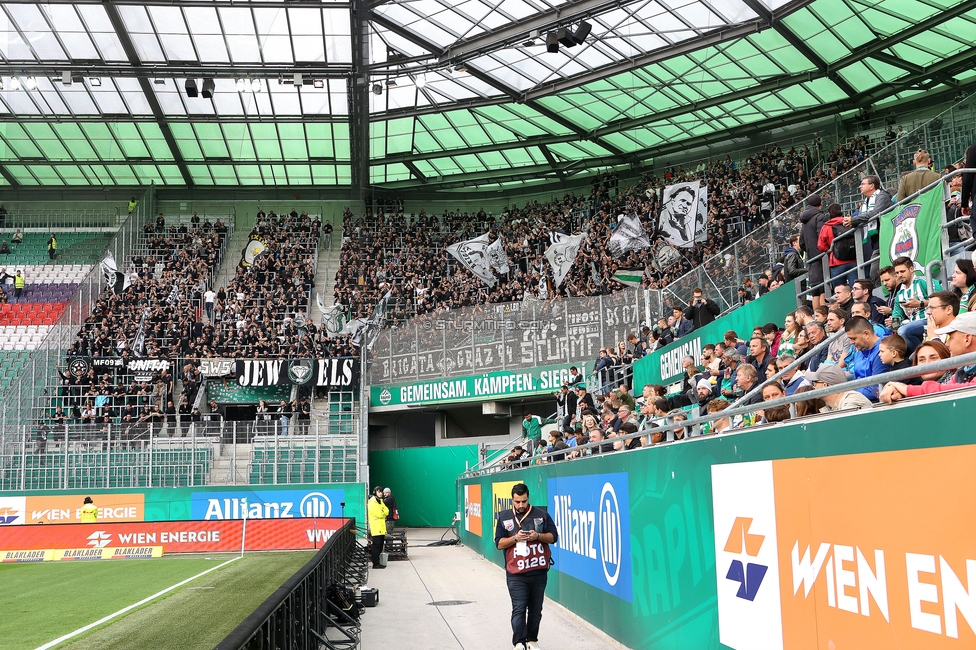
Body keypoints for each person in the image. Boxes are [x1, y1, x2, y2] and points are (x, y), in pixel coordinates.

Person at [495, 483, 558, 650]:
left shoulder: (542, 514)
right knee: (519, 608)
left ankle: (532, 640)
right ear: (512, 500)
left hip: (538, 571)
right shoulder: (504, 517)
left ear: (528, 498)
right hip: (516, 572)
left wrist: (537, 536)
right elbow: (499, 543)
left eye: (523, 501)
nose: (521, 505)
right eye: (517, 502)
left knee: (536, 609)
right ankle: (518, 643)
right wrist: (515, 538)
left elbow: (553, 537)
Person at [880, 311, 976, 403]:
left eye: (951, 338)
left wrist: (907, 389)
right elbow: (944, 390)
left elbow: (959, 390)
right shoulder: (962, 372)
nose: (947, 343)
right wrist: (902, 393)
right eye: (921, 359)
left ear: (967, 339)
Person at [845, 175, 892, 283]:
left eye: (862, 184)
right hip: (876, 240)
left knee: (875, 273)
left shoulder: (882, 196)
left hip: (886, 236)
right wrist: (851, 221)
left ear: (871, 186)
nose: (859, 186)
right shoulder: (866, 201)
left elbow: (875, 213)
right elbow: (863, 217)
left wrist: (854, 219)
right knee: (876, 272)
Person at [844, 316, 890, 401]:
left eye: (853, 338)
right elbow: (856, 379)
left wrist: (849, 395)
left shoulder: (882, 351)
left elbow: (876, 389)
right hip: (859, 397)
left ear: (866, 334)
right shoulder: (860, 350)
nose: (851, 342)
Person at [819, 203, 857, 289]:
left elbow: (821, 246)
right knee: (855, 289)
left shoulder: (826, 226)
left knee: (839, 291)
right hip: (853, 259)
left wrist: (830, 250)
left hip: (836, 262)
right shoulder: (850, 221)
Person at [804, 365, 873, 412]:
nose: (814, 387)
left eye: (815, 383)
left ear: (825, 385)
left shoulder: (852, 402)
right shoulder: (830, 406)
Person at [799, 194, 827, 308]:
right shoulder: (820, 217)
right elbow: (822, 236)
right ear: (820, 204)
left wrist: (811, 250)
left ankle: (818, 317)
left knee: (816, 291)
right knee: (824, 288)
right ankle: (824, 316)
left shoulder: (804, 222)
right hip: (822, 256)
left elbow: (801, 243)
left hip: (811, 258)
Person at [367, 486, 390, 569]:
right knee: (376, 546)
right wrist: (383, 513)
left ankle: (378, 562)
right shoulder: (372, 503)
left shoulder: (380, 501)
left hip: (381, 527)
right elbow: (380, 514)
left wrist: (383, 513)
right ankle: (375, 563)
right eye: (379, 492)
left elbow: (387, 510)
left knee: (380, 546)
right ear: (375, 493)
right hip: (376, 528)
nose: (380, 493)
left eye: (381, 492)